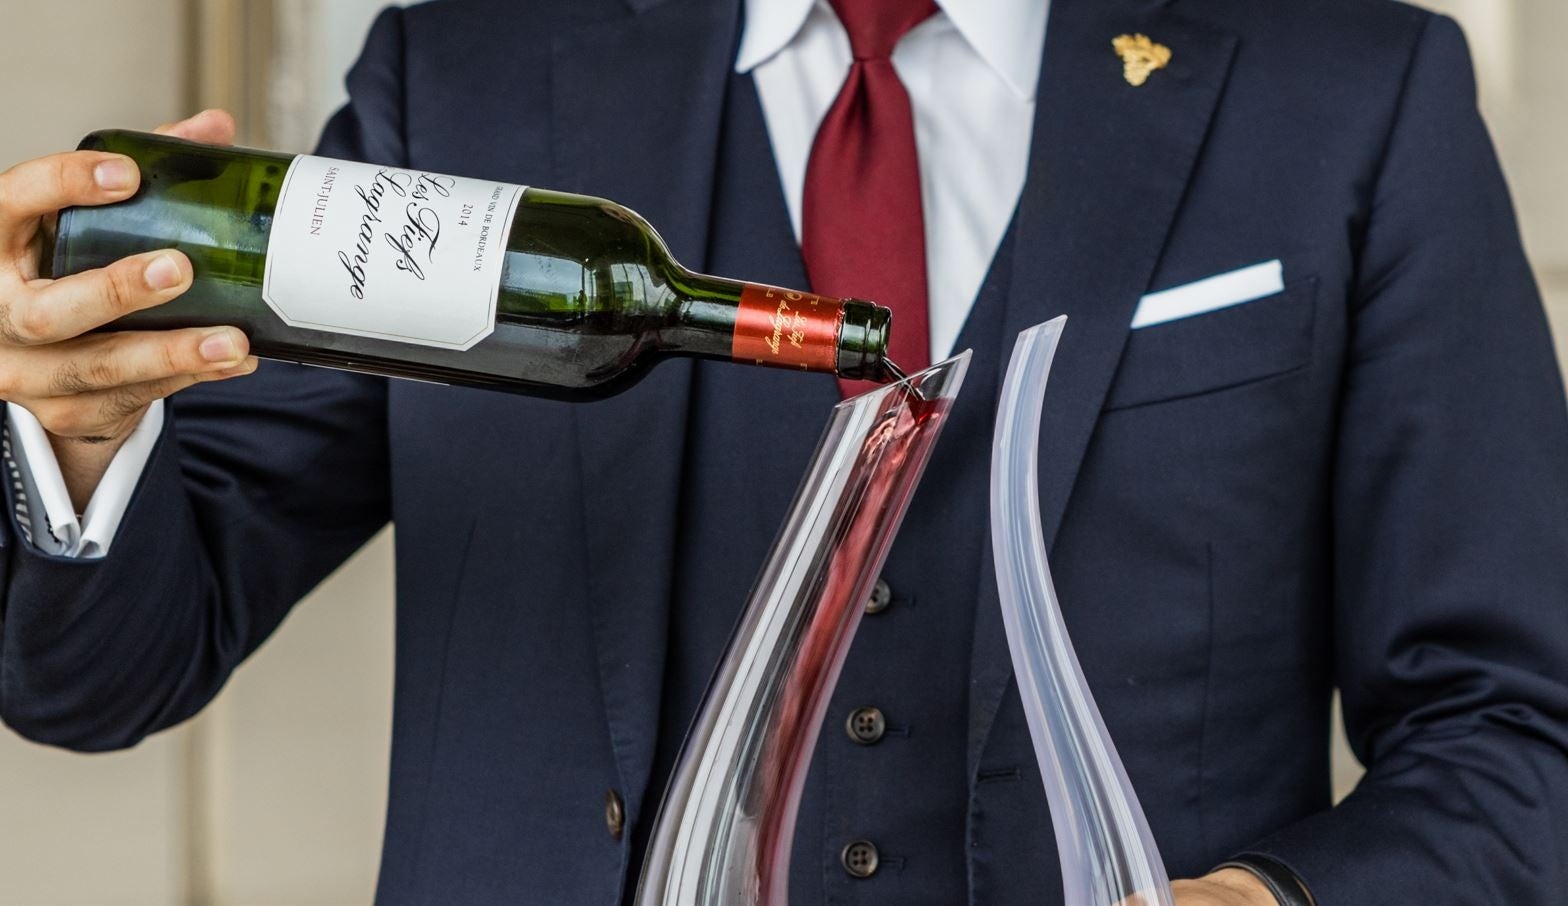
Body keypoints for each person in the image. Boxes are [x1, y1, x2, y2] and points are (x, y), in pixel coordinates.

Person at [2, 0, 1566, 902]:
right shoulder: (468, 72)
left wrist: (1267, 903)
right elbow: (108, 670)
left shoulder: (1349, 88)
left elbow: (1518, 733)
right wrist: (74, 438)